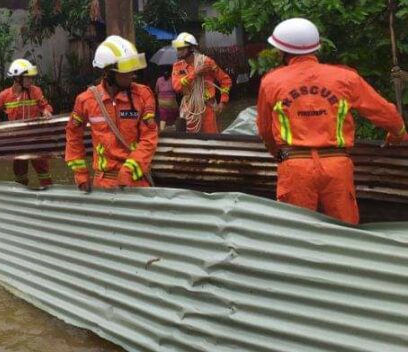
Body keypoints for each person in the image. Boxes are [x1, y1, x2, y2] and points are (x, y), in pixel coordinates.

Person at [257, 18, 408, 224]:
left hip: (295, 166)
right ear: (315, 48)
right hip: (337, 166)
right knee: (345, 232)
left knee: (296, 233)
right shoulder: (344, 78)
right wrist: (398, 135)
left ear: (282, 51)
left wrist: (279, 154)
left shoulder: (271, 81)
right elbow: (386, 112)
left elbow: (265, 130)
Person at [65, 35, 158, 190]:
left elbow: (149, 137)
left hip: (136, 180)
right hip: (103, 183)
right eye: (126, 70)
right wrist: (80, 174)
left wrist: (129, 170)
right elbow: (73, 135)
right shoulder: (86, 100)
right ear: (108, 73)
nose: (132, 74)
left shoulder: (143, 95)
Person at [0, 58, 54, 188]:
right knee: (20, 174)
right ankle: (21, 195)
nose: (31, 80)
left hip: (36, 140)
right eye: (28, 78)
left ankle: (49, 195)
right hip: (18, 141)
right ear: (18, 78)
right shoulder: (5, 95)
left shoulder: (36, 91)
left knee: (43, 171)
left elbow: (45, 106)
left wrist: (47, 111)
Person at [171, 32, 232, 133]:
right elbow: (176, 86)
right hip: (189, 109)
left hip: (208, 108)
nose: (178, 51)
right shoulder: (177, 66)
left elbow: (225, 80)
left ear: (191, 48)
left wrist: (223, 102)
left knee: (212, 141)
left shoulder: (206, 62)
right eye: (178, 48)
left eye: (181, 48)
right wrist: (195, 73)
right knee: (190, 143)